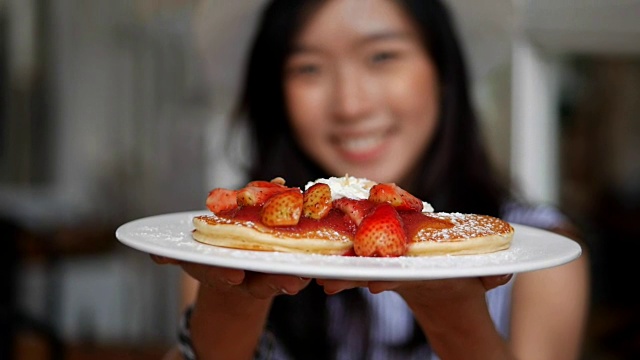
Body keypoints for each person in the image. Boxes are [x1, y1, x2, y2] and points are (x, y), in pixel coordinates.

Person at [154, 0, 590, 359]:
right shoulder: (223, 248)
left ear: (442, 69)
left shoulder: (538, 253)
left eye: (382, 56)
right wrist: (233, 302)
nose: (351, 104)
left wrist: (454, 313)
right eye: (308, 68)